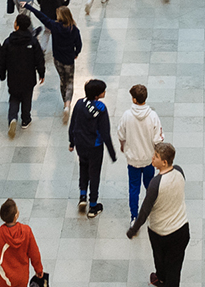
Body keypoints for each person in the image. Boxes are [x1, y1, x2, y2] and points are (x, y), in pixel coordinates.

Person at [127, 141, 190, 287]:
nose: (152, 158)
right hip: (181, 230)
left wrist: (133, 229)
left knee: (161, 260)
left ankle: (163, 279)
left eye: (156, 156)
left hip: (160, 233)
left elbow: (144, 211)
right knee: (174, 264)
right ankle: (161, 278)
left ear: (164, 162)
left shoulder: (155, 184)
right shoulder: (179, 171)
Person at [66, 78, 117, 218]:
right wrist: (112, 153)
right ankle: (93, 206)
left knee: (83, 167)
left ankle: (82, 196)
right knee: (94, 174)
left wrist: (72, 142)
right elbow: (105, 132)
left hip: (81, 144)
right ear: (97, 95)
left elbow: (73, 124)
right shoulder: (101, 109)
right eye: (103, 91)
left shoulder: (79, 104)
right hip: (95, 147)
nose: (104, 92)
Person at [27, 1, 84, 120]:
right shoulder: (74, 30)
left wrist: (28, 6)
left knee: (63, 80)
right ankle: (67, 105)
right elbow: (79, 44)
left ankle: (64, 101)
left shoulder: (54, 26)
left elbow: (41, 16)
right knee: (69, 81)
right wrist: (76, 53)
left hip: (57, 59)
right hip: (69, 59)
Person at [116, 83, 165, 221]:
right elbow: (158, 139)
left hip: (133, 159)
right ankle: (152, 211)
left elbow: (121, 135)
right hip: (149, 159)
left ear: (134, 99)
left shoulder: (127, 115)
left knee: (133, 189)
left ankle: (134, 217)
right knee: (150, 186)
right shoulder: (153, 116)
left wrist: (122, 146)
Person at [0, 13, 46, 138]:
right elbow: (39, 59)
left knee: (14, 97)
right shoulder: (33, 41)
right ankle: (25, 119)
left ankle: (13, 118)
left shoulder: (9, 42)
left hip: (13, 76)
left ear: (17, 26)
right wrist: (41, 73)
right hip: (28, 76)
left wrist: (2, 74)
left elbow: (2, 59)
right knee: (27, 97)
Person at [0, 199, 43, 287]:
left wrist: (0, 263)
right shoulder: (26, 231)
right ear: (16, 216)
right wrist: (39, 270)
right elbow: (34, 254)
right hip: (21, 278)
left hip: (3, 279)